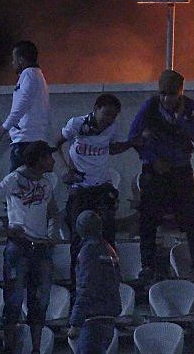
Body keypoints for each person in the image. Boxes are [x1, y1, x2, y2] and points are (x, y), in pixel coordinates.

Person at [0, 140, 60, 354]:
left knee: (40, 301)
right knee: (14, 302)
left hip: (41, 248)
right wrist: (2, 227)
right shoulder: (14, 179)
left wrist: (51, 234)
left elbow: (53, 212)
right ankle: (10, 348)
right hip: (20, 247)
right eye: (49, 156)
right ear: (40, 159)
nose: (53, 160)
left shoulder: (45, 183)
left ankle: (35, 349)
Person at [128, 69, 194, 281]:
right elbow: (133, 136)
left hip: (181, 169)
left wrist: (182, 120)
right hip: (155, 171)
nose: (166, 99)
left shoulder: (190, 108)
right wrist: (152, 158)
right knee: (148, 219)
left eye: (171, 94)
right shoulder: (150, 107)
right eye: (163, 94)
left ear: (180, 93)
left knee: (192, 217)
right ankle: (147, 266)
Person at [55, 94, 134, 300]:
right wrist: (67, 169)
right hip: (80, 188)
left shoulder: (111, 129)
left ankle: (111, 282)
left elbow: (113, 148)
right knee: (77, 239)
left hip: (101, 187)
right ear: (96, 108)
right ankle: (77, 287)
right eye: (106, 113)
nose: (108, 119)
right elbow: (57, 143)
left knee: (107, 236)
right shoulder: (77, 124)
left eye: (113, 116)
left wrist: (133, 142)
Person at [67, 210, 121, 354]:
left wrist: (75, 322)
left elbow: (85, 287)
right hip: (108, 315)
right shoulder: (109, 249)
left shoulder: (88, 251)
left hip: (92, 318)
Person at [0, 41, 50, 171]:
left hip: (26, 141)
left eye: (14, 59)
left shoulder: (29, 75)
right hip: (32, 139)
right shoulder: (37, 75)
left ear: (20, 60)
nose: (12, 63)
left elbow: (21, 104)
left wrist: (5, 127)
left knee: (17, 184)